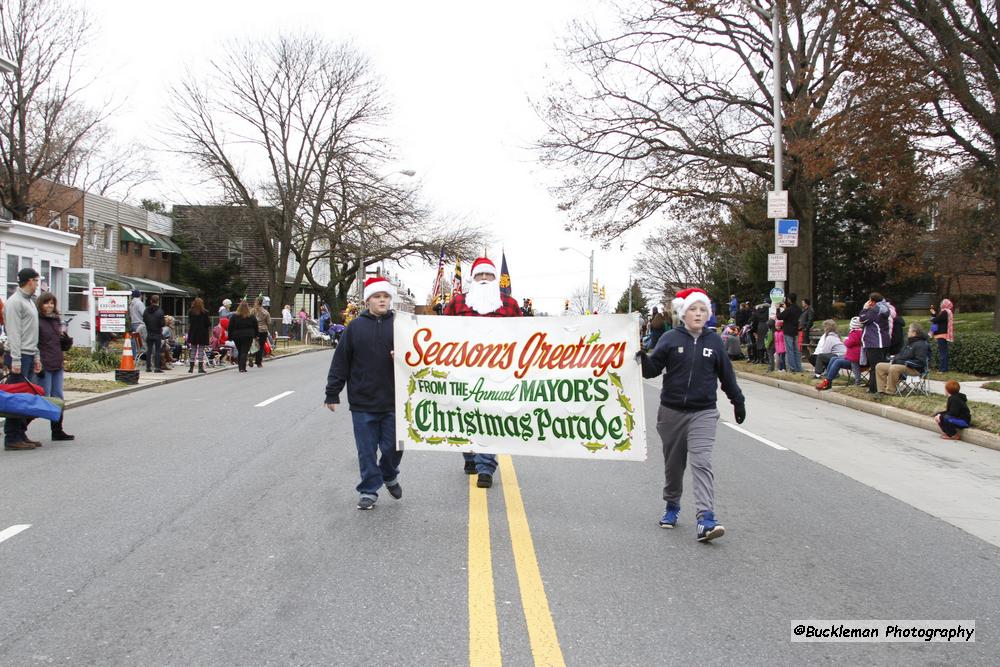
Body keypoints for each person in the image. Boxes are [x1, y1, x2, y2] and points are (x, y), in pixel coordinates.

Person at [638, 287, 746, 542]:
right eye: (693, 310)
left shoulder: (714, 342)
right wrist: (642, 358)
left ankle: (706, 519)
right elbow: (652, 370)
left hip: (704, 412)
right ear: (683, 313)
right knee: (674, 466)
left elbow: (727, 376)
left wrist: (738, 401)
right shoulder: (670, 339)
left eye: (703, 310)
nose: (698, 314)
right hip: (671, 412)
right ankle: (672, 505)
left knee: (701, 461)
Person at [443, 256, 521, 488]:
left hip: (497, 372)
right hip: (463, 370)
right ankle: (469, 455)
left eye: (489, 275)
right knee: (465, 414)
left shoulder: (510, 304)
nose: (484, 279)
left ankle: (486, 467)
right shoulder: (457, 303)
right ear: (472, 278)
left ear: (495, 278)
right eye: (480, 275)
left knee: (490, 417)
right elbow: (441, 334)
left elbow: (523, 336)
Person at [324, 276, 401, 510]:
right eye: (377, 297)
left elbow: (420, 358)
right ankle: (369, 490)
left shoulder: (401, 325)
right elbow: (341, 361)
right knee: (366, 450)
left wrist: (403, 357)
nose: (382, 300)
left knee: (393, 448)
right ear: (368, 300)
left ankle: (389, 473)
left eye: (385, 296)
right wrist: (332, 392)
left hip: (395, 400)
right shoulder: (355, 327)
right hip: (363, 401)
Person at [3, 268, 43, 450]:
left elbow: (31, 333)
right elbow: (13, 332)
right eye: (36, 280)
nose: (37, 284)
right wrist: (16, 359)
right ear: (29, 281)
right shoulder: (14, 302)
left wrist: (36, 356)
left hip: (28, 353)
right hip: (18, 356)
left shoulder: (29, 302)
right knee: (16, 398)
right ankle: (12, 437)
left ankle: (21, 433)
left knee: (26, 398)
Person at [36, 292, 74, 442]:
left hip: (57, 362)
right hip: (44, 363)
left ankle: (57, 430)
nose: (50, 306)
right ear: (40, 304)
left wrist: (66, 341)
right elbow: (35, 343)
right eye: (46, 303)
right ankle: (21, 428)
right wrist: (37, 361)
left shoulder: (56, 320)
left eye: (52, 303)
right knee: (42, 398)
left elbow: (59, 343)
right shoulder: (37, 320)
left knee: (58, 397)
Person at [874, 323, 929, 394]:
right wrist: (894, 358)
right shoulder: (909, 343)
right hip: (902, 365)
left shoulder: (921, 344)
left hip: (914, 369)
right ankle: (881, 391)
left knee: (894, 368)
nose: (907, 332)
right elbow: (901, 355)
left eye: (909, 331)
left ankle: (890, 391)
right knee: (880, 366)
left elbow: (920, 362)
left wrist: (903, 362)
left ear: (914, 333)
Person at [817, 317, 863, 390]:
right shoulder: (859, 332)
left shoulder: (855, 333)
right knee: (834, 358)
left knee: (837, 361)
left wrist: (846, 341)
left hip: (855, 360)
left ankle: (828, 381)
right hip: (851, 357)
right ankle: (827, 379)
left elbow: (849, 343)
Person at [859, 292, 892, 394]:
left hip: (874, 342)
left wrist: (865, 308)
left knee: (875, 367)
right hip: (883, 342)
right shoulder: (884, 308)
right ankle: (879, 387)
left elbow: (863, 319)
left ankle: (874, 389)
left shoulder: (875, 310)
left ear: (872, 301)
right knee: (879, 366)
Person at [228, 301, 257, 372]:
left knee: (240, 350)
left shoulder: (234, 316)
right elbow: (255, 326)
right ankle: (242, 367)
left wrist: (230, 336)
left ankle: (240, 366)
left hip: (237, 336)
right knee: (244, 351)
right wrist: (256, 335)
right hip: (248, 335)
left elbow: (230, 327)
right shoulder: (251, 316)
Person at [776, 293, 802, 372]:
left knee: (790, 350)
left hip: (788, 331)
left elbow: (779, 316)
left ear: (789, 300)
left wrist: (778, 309)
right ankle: (798, 367)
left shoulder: (789, 309)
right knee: (796, 350)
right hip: (795, 331)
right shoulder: (798, 309)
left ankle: (792, 368)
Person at [142, 295, 166, 373]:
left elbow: (144, 320)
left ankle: (148, 367)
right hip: (157, 332)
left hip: (149, 332)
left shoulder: (146, 310)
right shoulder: (160, 311)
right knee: (157, 350)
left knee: (149, 350)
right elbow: (162, 324)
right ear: (158, 301)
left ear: (150, 301)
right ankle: (157, 368)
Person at [930, 298, 954, 373]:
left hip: (941, 334)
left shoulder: (945, 312)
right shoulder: (946, 312)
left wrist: (933, 316)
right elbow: (938, 319)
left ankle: (942, 369)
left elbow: (936, 320)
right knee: (944, 352)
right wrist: (934, 314)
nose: (941, 305)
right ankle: (944, 369)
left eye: (942, 303)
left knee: (942, 352)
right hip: (942, 334)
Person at [187, 297, 212, 374]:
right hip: (202, 333)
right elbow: (208, 323)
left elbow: (189, 322)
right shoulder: (205, 312)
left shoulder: (191, 312)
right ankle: (200, 368)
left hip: (193, 332)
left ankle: (191, 368)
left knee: (193, 349)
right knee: (201, 350)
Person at [251, 297, 272, 368]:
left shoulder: (252, 311)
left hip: (254, 330)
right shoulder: (265, 312)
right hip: (263, 330)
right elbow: (269, 322)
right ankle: (258, 362)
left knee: (254, 345)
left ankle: (251, 356)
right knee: (261, 346)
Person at [129, 289, 144, 359]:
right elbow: (144, 314)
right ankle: (141, 355)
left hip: (133, 323)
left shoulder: (131, 303)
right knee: (142, 341)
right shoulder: (139, 303)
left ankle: (133, 355)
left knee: (134, 340)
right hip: (139, 324)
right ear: (139, 295)